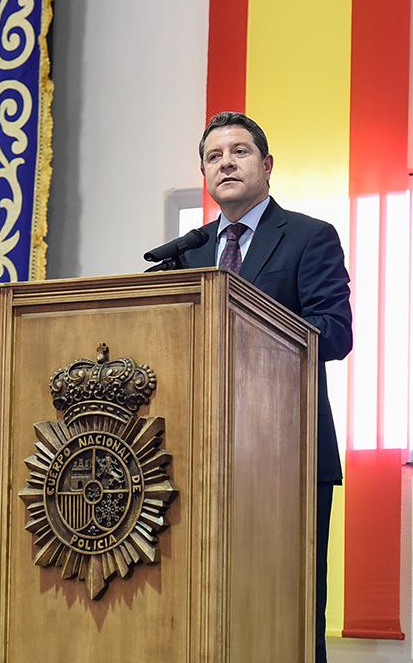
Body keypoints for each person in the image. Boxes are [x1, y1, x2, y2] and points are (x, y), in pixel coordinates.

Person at [182, 111, 352, 663]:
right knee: (212, 604)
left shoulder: (308, 236)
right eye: (214, 156)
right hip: (201, 459)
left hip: (288, 455)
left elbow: (335, 332)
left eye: (239, 151)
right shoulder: (189, 251)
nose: (225, 163)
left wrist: (256, 330)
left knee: (290, 607)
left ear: (267, 165)